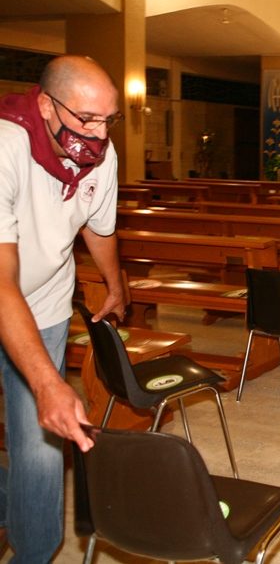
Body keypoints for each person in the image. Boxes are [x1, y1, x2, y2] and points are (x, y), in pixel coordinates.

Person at [0, 55, 126, 561]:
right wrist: (48, 384)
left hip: (46, 303)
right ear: (47, 106)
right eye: (87, 118)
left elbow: (98, 224)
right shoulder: (6, 148)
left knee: (38, 444)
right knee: (43, 404)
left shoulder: (102, 154)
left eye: (109, 120)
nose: (99, 134)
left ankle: (33, 552)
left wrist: (115, 282)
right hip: (5, 291)